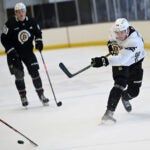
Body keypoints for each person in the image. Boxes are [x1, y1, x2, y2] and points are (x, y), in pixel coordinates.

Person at [91, 18, 146, 123]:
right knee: (119, 84)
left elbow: (122, 59)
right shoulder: (113, 32)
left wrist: (103, 61)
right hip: (123, 59)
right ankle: (109, 113)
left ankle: (125, 97)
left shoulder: (134, 41)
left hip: (135, 61)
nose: (119, 35)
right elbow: (113, 47)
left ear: (127, 30)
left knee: (134, 92)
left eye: (122, 32)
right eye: (117, 33)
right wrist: (114, 50)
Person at [1, 2, 49, 107]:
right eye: (18, 12)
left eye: (22, 11)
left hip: (28, 52)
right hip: (14, 54)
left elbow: (38, 32)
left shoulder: (32, 21)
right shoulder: (10, 23)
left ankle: (41, 94)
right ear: (15, 13)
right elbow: (3, 38)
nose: (21, 14)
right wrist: (10, 50)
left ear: (25, 11)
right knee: (19, 76)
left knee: (35, 72)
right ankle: (23, 96)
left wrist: (39, 41)